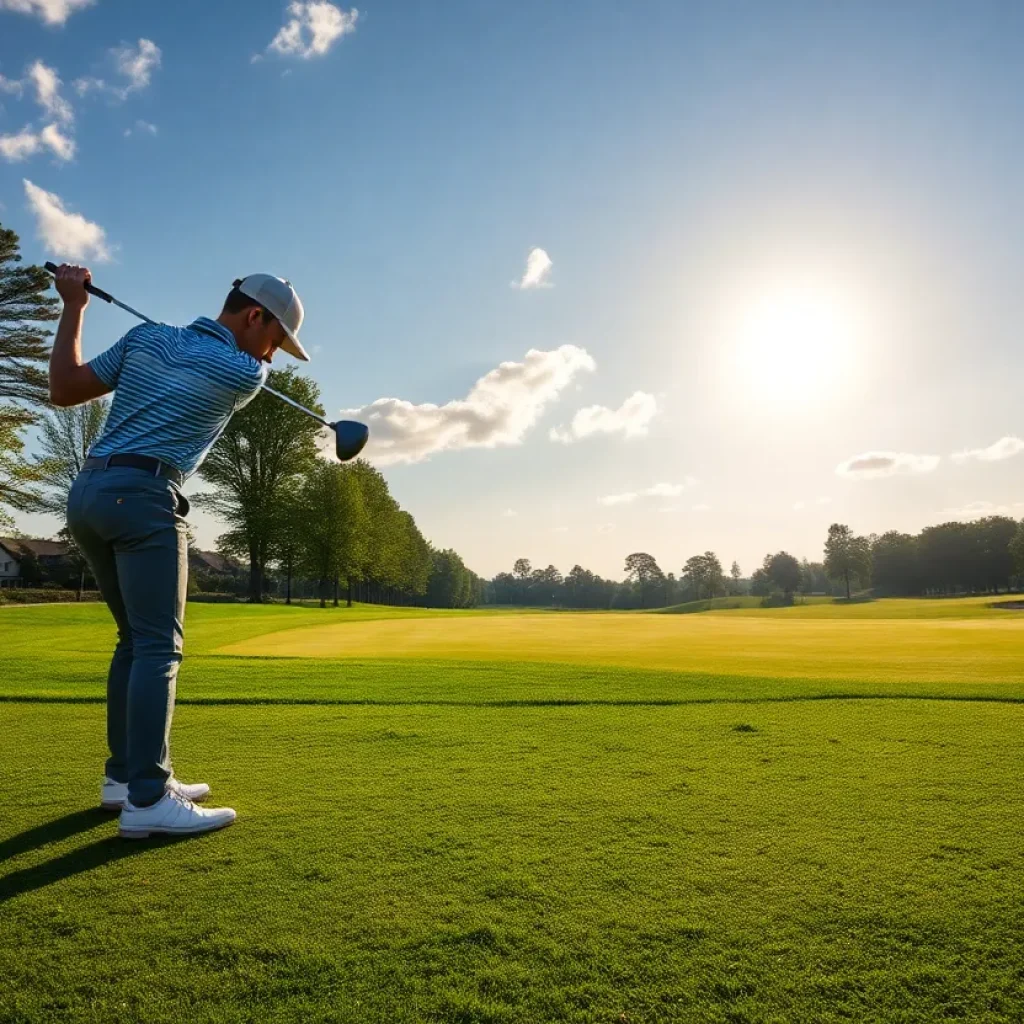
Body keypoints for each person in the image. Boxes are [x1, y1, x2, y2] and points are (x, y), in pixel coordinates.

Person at [49, 264, 309, 839]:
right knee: (159, 650)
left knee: (132, 642)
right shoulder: (244, 373)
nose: (271, 357)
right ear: (254, 317)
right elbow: (226, 360)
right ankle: (148, 797)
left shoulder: (145, 338)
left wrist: (75, 305)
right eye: (274, 342)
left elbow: (64, 389)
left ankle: (124, 778)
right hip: (144, 499)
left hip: (88, 494)